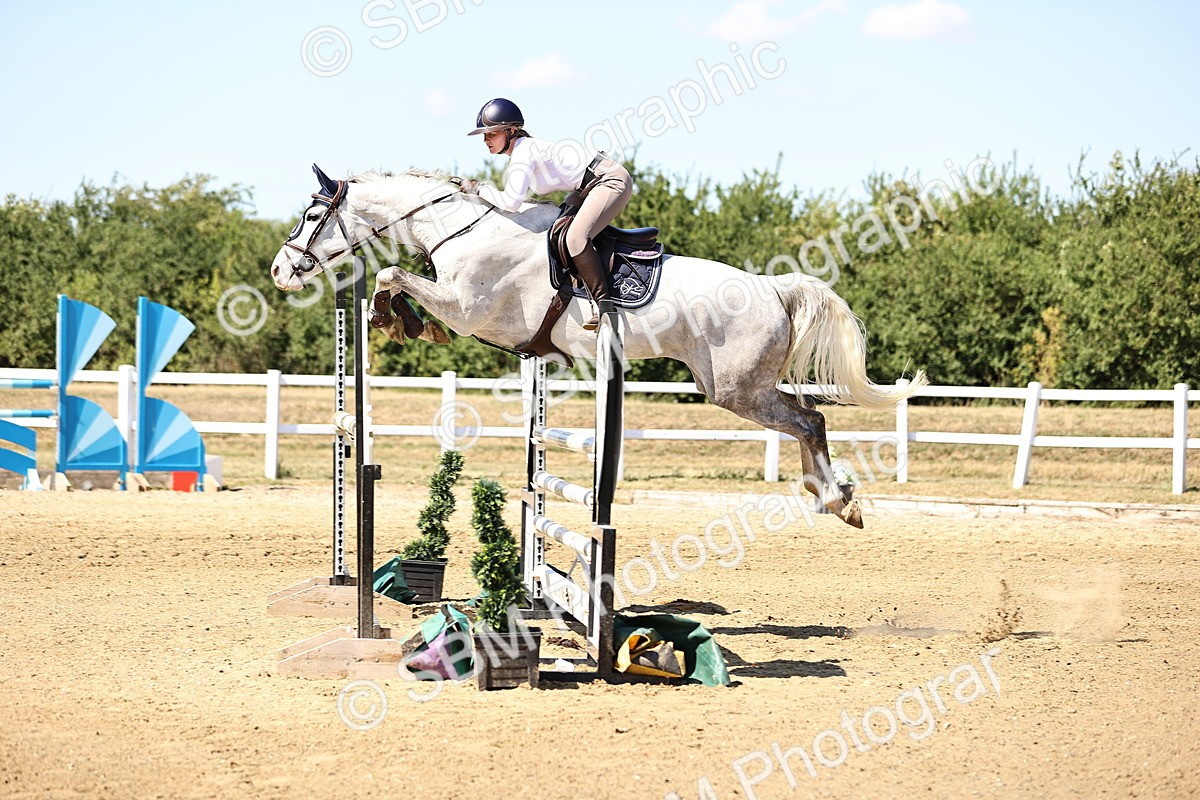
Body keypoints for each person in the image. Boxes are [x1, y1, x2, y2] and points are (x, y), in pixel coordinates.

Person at [462, 98, 632, 331]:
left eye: (491, 134)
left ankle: (605, 308)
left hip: (609, 180)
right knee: (556, 227)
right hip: (586, 187)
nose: (485, 140)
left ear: (511, 131)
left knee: (575, 238)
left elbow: (511, 202)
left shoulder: (524, 153)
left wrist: (479, 189)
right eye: (484, 135)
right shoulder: (521, 153)